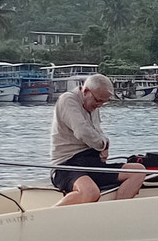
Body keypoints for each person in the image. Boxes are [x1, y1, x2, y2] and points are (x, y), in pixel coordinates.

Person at [50, 74, 147, 205]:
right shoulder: (68, 100)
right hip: (67, 165)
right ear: (86, 91)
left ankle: (116, 211)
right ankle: (51, 214)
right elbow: (82, 131)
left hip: (92, 162)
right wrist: (103, 145)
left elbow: (97, 132)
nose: (100, 105)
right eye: (98, 100)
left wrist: (105, 144)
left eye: (104, 102)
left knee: (138, 171)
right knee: (91, 193)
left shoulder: (93, 104)